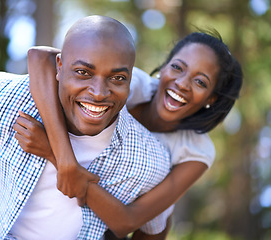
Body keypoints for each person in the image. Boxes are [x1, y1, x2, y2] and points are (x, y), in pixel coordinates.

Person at [0, 15, 172, 240]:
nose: (98, 92)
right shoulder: (2, 100)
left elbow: (154, 226)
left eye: (117, 78)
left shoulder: (147, 160)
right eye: (83, 72)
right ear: (59, 66)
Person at [19, 30, 243, 239]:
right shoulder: (128, 84)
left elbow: (128, 221)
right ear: (163, 67)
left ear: (211, 99)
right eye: (177, 67)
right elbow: (40, 57)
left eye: (200, 81)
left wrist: (54, 154)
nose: (182, 83)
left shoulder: (196, 150)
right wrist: (65, 156)